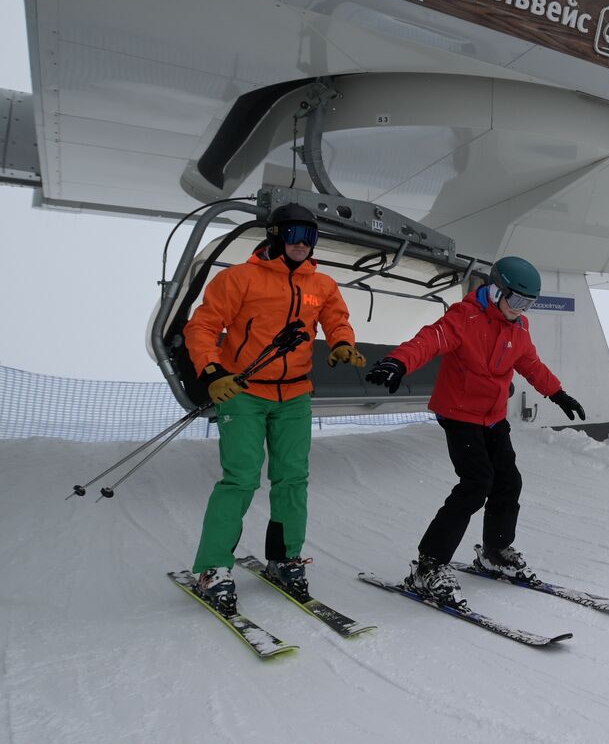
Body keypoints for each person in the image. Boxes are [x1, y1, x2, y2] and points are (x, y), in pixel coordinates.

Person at [365, 255, 586, 604]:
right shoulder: (462, 317)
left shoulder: (519, 328)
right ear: (497, 290)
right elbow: (428, 341)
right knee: (476, 483)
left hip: (493, 415)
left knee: (508, 480)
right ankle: (429, 565)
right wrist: (398, 361)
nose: (520, 308)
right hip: (459, 412)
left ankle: (496, 551)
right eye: (516, 300)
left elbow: (530, 364)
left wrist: (558, 393)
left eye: (528, 303)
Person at [184, 203, 364, 615]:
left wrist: (341, 342)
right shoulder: (239, 278)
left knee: (292, 479)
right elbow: (204, 325)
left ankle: (283, 558)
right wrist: (212, 372)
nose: (303, 243)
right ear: (275, 235)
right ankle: (213, 566)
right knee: (241, 480)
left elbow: (337, 319)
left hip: (295, 395)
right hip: (244, 392)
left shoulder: (321, 284)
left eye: (311, 236)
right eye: (296, 233)